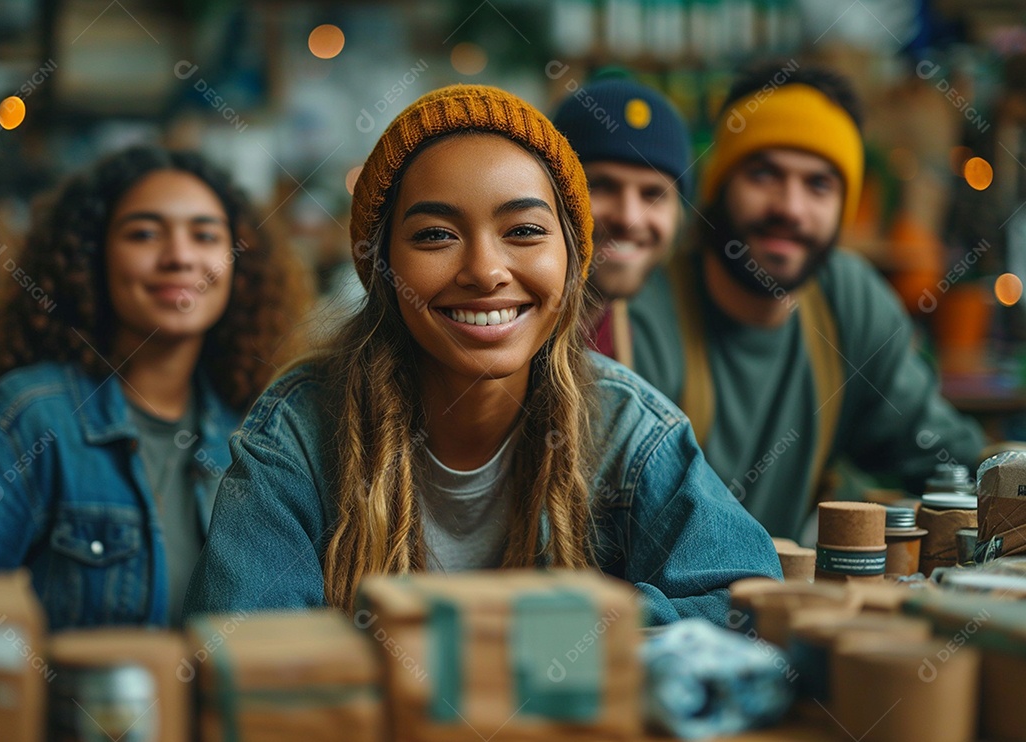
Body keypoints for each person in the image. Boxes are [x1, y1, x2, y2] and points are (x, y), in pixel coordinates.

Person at [184, 84, 781, 626]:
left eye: (523, 231)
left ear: (572, 260)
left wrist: (534, 632)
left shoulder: (631, 430)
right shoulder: (299, 429)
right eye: (435, 235)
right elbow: (242, 648)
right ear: (383, 267)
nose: (485, 271)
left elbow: (748, 607)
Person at [604, 63, 985, 540]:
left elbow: (941, 456)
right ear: (718, 187)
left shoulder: (850, 300)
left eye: (818, 185)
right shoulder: (639, 311)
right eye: (764, 174)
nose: (790, 208)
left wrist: (1005, 478)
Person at [0, 145, 310, 629]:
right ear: (91, 258)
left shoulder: (258, 436)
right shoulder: (25, 420)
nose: (179, 257)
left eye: (204, 235)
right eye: (144, 233)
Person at [552, 77, 692, 367]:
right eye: (602, 186)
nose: (629, 218)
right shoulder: (502, 332)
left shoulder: (646, 344)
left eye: (653, 194)